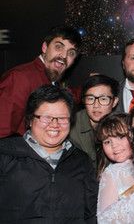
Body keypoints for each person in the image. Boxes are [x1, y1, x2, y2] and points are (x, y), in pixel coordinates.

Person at [0, 85, 97, 223]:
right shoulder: (6, 154)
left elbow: (91, 215)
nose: (54, 124)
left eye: (62, 118)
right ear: (30, 119)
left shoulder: (81, 161)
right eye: (46, 118)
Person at [0, 25, 82, 138]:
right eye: (58, 47)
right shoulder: (20, 77)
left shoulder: (52, 79)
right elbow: (2, 130)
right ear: (44, 47)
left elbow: (67, 96)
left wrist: (90, 86)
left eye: (71, 53)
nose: (63, 55)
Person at [69, 74, 119, 167]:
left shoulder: (121, 126)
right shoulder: (71, 127)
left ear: (114, 102)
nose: (96, 105)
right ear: (83, 101)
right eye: (90, 98)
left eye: (103, 99)